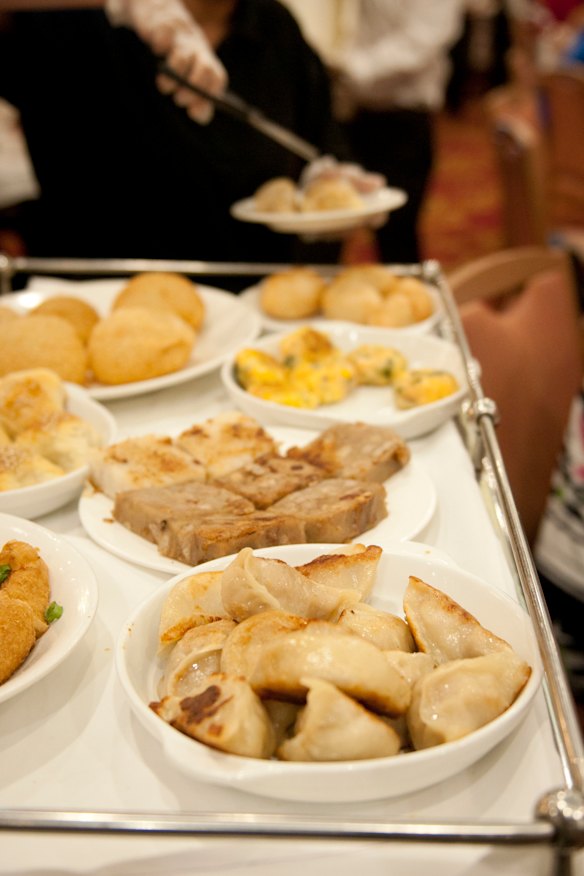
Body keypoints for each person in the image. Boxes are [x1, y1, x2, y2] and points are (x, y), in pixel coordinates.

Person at [0, 1, 369, 278]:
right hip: (98, 299)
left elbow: (318, 142)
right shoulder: (66, 19)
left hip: (252, 306)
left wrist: (327, 181)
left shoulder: (274, 25)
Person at [329, 0, 466, 264]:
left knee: (397, 235)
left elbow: (422, 40)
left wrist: (347, 66)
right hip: (343, 112)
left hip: (401, 119)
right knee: (324, 230)